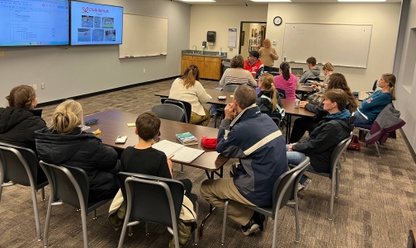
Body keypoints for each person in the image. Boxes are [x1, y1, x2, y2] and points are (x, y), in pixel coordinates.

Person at [200, 85, 287, 236]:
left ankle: (249, 219)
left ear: (235, 103)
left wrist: (227, 119)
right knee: (235, 167)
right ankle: (249, 207)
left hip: (260, 190)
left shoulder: (243, 128)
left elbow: (222, 146)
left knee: (206, 187)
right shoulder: (265, 118)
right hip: (279, 184)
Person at [110, 112, 196, 246]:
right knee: (187, 184)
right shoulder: (160, 157)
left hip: (134, 199)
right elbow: (169, 187)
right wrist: (169, 167)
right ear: (157, 134)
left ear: (136, 131)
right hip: (159, 203)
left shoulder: (126, 152)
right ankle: (180, 226)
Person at [35, 99, 119, 203]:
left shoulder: (43, 140)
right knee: (120, 167)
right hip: (89, 190)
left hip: (63, 188)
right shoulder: (88, 144)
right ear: (79, 120)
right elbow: (111, 160)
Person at [287, 89, 354, 189]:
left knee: (278, 156)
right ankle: (297, 182)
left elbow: (315, 145)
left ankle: (300, 182)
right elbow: (314, 140)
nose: (323, 102)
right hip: (318, 155)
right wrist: (297, 144)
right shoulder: (340, 118)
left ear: (333, 104)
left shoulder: (333, 126)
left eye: (326, 100)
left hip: (317, 160)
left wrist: (296, 146)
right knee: (278, 149)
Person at [289, 73, 357, 143]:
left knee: (299, 122)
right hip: (334, 121)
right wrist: (309, 104)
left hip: (327, 124)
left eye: (329, 81)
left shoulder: (336, 96)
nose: (327, 83)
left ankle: (291, 143)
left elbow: (321, 110)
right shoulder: (345, 94)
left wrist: (307, 105)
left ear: (333, 83)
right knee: (305, 119)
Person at [0, 85, 46, 152]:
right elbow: (46, 147)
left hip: (6, 161)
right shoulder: (35, 123)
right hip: (29, 161)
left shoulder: (1, 116)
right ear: (32, 102)